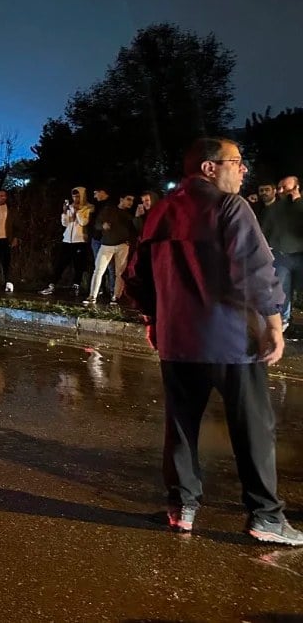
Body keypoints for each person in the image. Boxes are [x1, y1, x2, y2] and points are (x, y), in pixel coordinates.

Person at [125, 136, 300, 545]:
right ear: (209, 168)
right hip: (232, 340)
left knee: (182, 427)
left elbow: (136, 276)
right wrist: (274, 322)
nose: (243, 170)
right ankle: (266, 517)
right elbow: (255, 269)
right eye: (236, 162)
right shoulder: (229, 207)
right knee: (253, 427)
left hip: (178, 340)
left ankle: (182, 508)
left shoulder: (161, 212)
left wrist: (154, 318)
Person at [260, 175, 303, 330]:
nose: (280, 191)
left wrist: (298, 201)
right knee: (282, 291)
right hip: (281, 256)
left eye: (285, 187)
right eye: (279, 187)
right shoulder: (274, 209)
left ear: (297, 189)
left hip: (300, 256)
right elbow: (264, 231)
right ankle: (283, 321)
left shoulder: (300, 206)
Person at [40, 187, 93, 296]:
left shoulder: (88, 208)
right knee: (60, 263)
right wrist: (64, 211)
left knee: (78, 265)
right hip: (67, 240)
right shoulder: (70, 207)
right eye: (74, 196)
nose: (75, 198)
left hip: (80, 240)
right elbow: (65, 223)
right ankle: (52, 285)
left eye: (78, 196)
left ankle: (76, 286)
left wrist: (78, 211)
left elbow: (83, 222)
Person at [84, 193, 136, 305]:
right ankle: (92, 296)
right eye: (128, 199)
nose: (130, 203)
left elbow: (135, 229)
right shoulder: (109, 210)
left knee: (119, 272)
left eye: (132, 200)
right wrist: (103, 226)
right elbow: (97, 223)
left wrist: (130, 240)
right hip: (106, 245)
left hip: (122, 246)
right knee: (98, 270)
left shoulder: (130, 214)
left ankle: (116, 297)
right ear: (121, 199)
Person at [88, 186, 116, 299]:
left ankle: (113, 291)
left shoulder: (110, 206)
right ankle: (100, 290)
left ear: (103, 192)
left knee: (110, 267)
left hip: (107, 241)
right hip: (96, 239)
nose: (94, 196)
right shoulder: (97, 206)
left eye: (96, 193)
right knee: (98, 267)